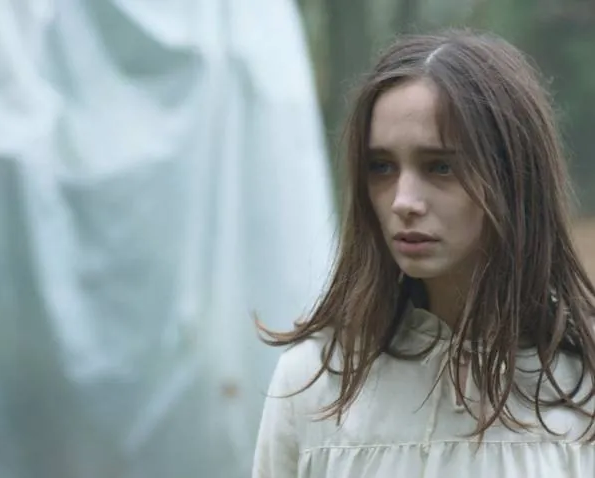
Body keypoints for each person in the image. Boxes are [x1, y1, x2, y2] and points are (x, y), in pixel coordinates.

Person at [252, 29, 595, 477]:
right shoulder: (314, 383)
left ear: (513, 177)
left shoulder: (582, 385)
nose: (403, 201)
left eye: (440, 166)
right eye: (382, 167)